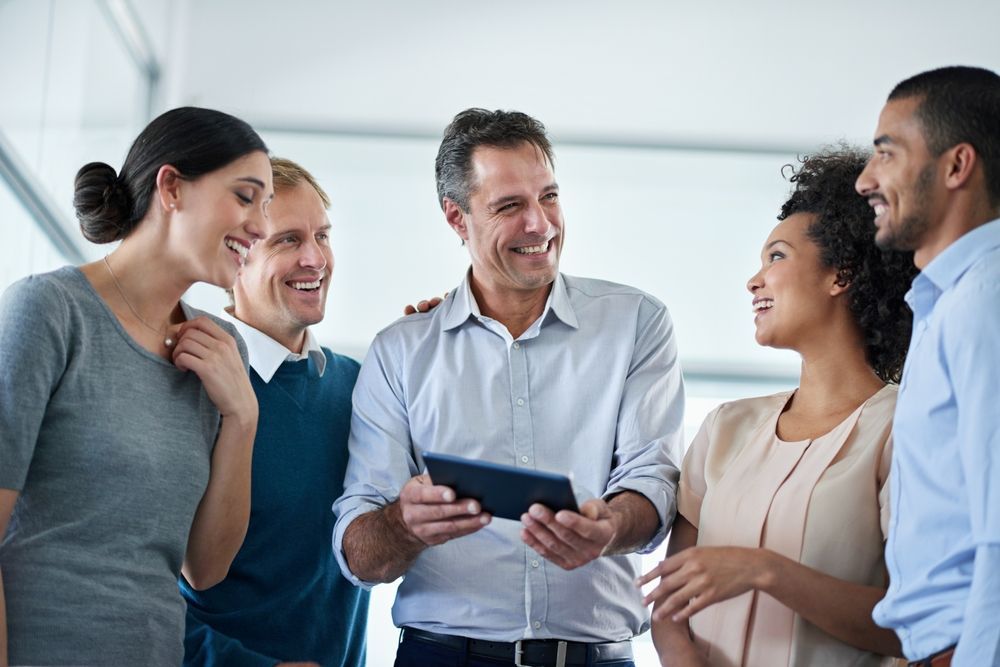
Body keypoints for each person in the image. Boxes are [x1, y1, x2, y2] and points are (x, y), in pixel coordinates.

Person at [332, 108, 684, 667]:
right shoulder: (400, 351)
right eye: (509, 206)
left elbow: (654, 482)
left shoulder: (636, 323)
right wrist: (404, 523)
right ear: (456, 219)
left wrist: (611, 525)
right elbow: (360, 556)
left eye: (548, 196)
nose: (540, 224)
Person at [0, 107, 269, 666]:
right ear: (171, 187)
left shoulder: (220, 351)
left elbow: (206, 568)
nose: (261, 226)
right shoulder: (49, 311)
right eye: (246, 197)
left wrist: (242, 417)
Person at [639, 146, 916, 666]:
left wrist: (767, 570)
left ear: (842, 275)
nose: (754, 280)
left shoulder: (904, 429)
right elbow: (668, 609)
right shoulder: (726, 427)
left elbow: (913, 626)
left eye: (777, 257)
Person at [181, 157, 368, 667]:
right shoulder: (189, 381)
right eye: (288, 240)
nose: (315, 258)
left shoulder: (359, 385)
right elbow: (139, 584)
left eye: (323, 236)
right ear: (236, 256)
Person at [854, 66, 1000, 667]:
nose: (866, 180)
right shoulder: (949, 303)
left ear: (956, 166)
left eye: (886, 154)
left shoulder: (983, 304)